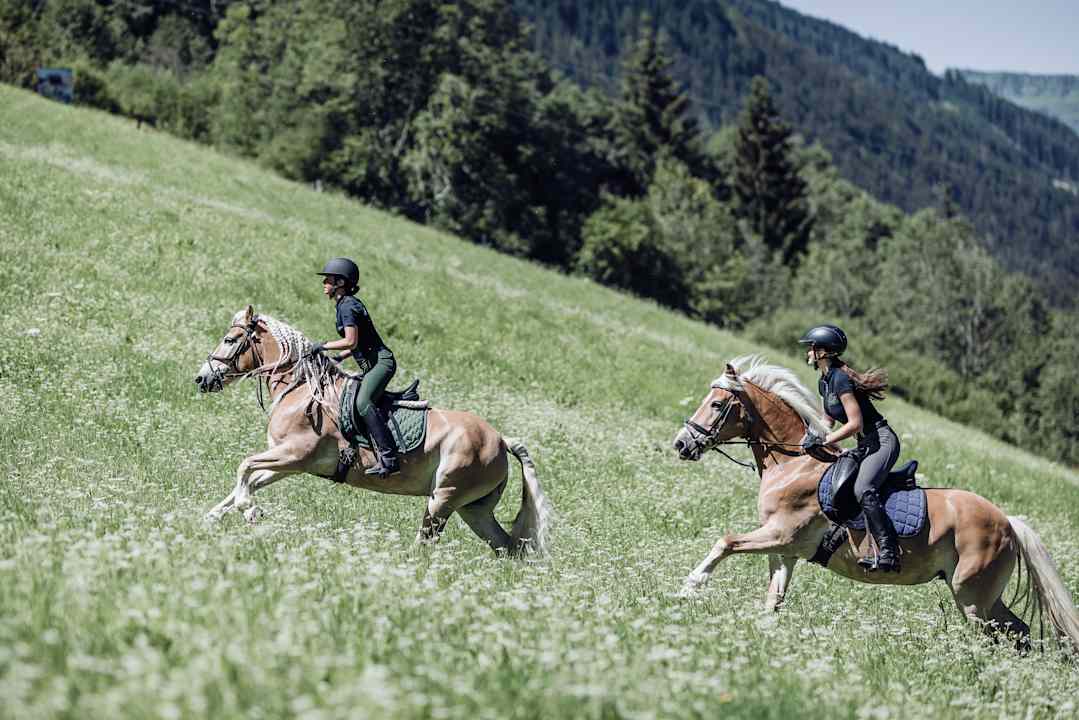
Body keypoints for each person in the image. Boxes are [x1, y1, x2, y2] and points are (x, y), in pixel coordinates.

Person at [799, 324, 900, 572]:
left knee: (863, 487)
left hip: (882, 441)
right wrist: (811, 436)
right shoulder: (824, 382)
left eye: (811, 348)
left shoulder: (841, 378)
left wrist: (828, 440)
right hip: (865, 444)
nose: (808, 353)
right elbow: (827, 420)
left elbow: (855, 423)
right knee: (839, 485)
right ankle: (852, 541)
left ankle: (888, 551)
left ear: (823, 352)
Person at [310, 257, 400, 478]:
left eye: (328, 280)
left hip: (381, 363)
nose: (324, 284)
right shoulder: (344, 304)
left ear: (340, 282)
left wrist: (323, 346)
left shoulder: (348, 306)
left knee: (362, 402)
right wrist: (339, 358)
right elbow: (357, 343)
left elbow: (351, 340)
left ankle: (389, 459)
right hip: (372, 365)